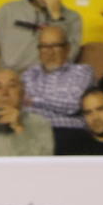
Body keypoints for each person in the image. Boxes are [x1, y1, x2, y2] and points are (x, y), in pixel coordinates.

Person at [21, 25, 94, 153]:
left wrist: (34, 101)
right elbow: (24, 108)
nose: (49, 52)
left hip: (68, 133)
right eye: (44, 46)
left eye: (56, 46)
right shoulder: (28, 75)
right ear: (38, 50)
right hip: (33, 132)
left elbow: (73, 105)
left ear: (67, 48)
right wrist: (56, 103)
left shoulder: (82, 72)